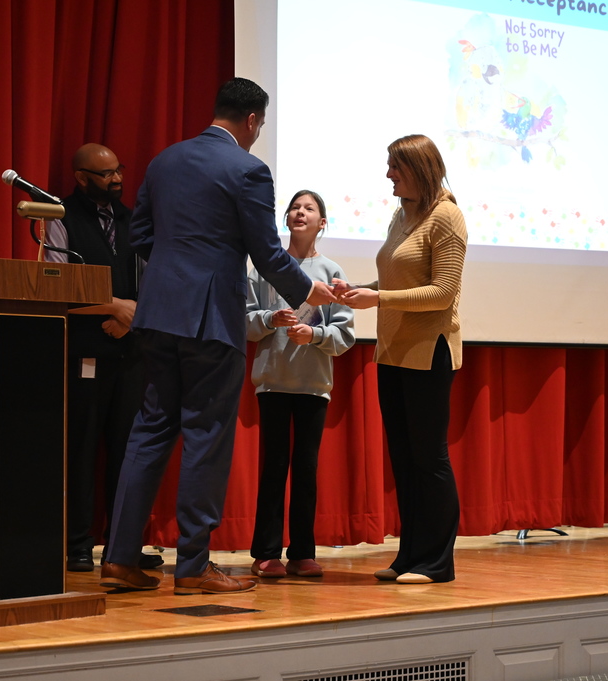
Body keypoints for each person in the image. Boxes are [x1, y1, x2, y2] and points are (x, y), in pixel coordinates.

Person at [99, 78, 338, 595]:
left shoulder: (164, 160)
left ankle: (117, 558)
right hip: (209, 320)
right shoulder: (248, 169)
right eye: (261, 126)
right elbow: (267, 252)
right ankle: (192, 566)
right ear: (252, 120)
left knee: (149, 431)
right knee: (206, 437)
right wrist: (307, 290)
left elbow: (141, 236)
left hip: (158, 313)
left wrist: (178, 269)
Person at [336, 134, 467, 584]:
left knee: (429, 459)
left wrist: (379, 298)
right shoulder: (402, 214)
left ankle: (436, 563)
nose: (388, 175)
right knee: (404, 460)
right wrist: (360, 290)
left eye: (396, 166)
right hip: (392, 351)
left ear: (420, 169)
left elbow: (442, 292)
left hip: (428, 351)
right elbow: (397, 279)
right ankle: (409, 557)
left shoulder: (446, 216)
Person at [45, 143, 162, 573]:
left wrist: (132, 318)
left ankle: (121, 546)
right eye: (105, 174)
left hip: (132, 352)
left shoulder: (135, 221)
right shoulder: (59, 217)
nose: (116, 180)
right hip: (83, 351)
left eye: (119, 170)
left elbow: (156, 280)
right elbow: (55, 285)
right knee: (81, 450)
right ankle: (77, 545)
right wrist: (112, 307)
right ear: (81, 177)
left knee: (128, 451)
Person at [247, 190, 355, 579]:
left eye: (309, 208)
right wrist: (269, 319)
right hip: (273, 382)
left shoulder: (332, 271)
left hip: (313, 385)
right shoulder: (264, 267)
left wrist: (315, 334)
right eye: (294, 207)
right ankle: (266, 553)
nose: (300, 212)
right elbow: (243, 320)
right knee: (273, 467)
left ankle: (303, 552)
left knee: (306, 470)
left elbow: (345, 334)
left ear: (322, 223)